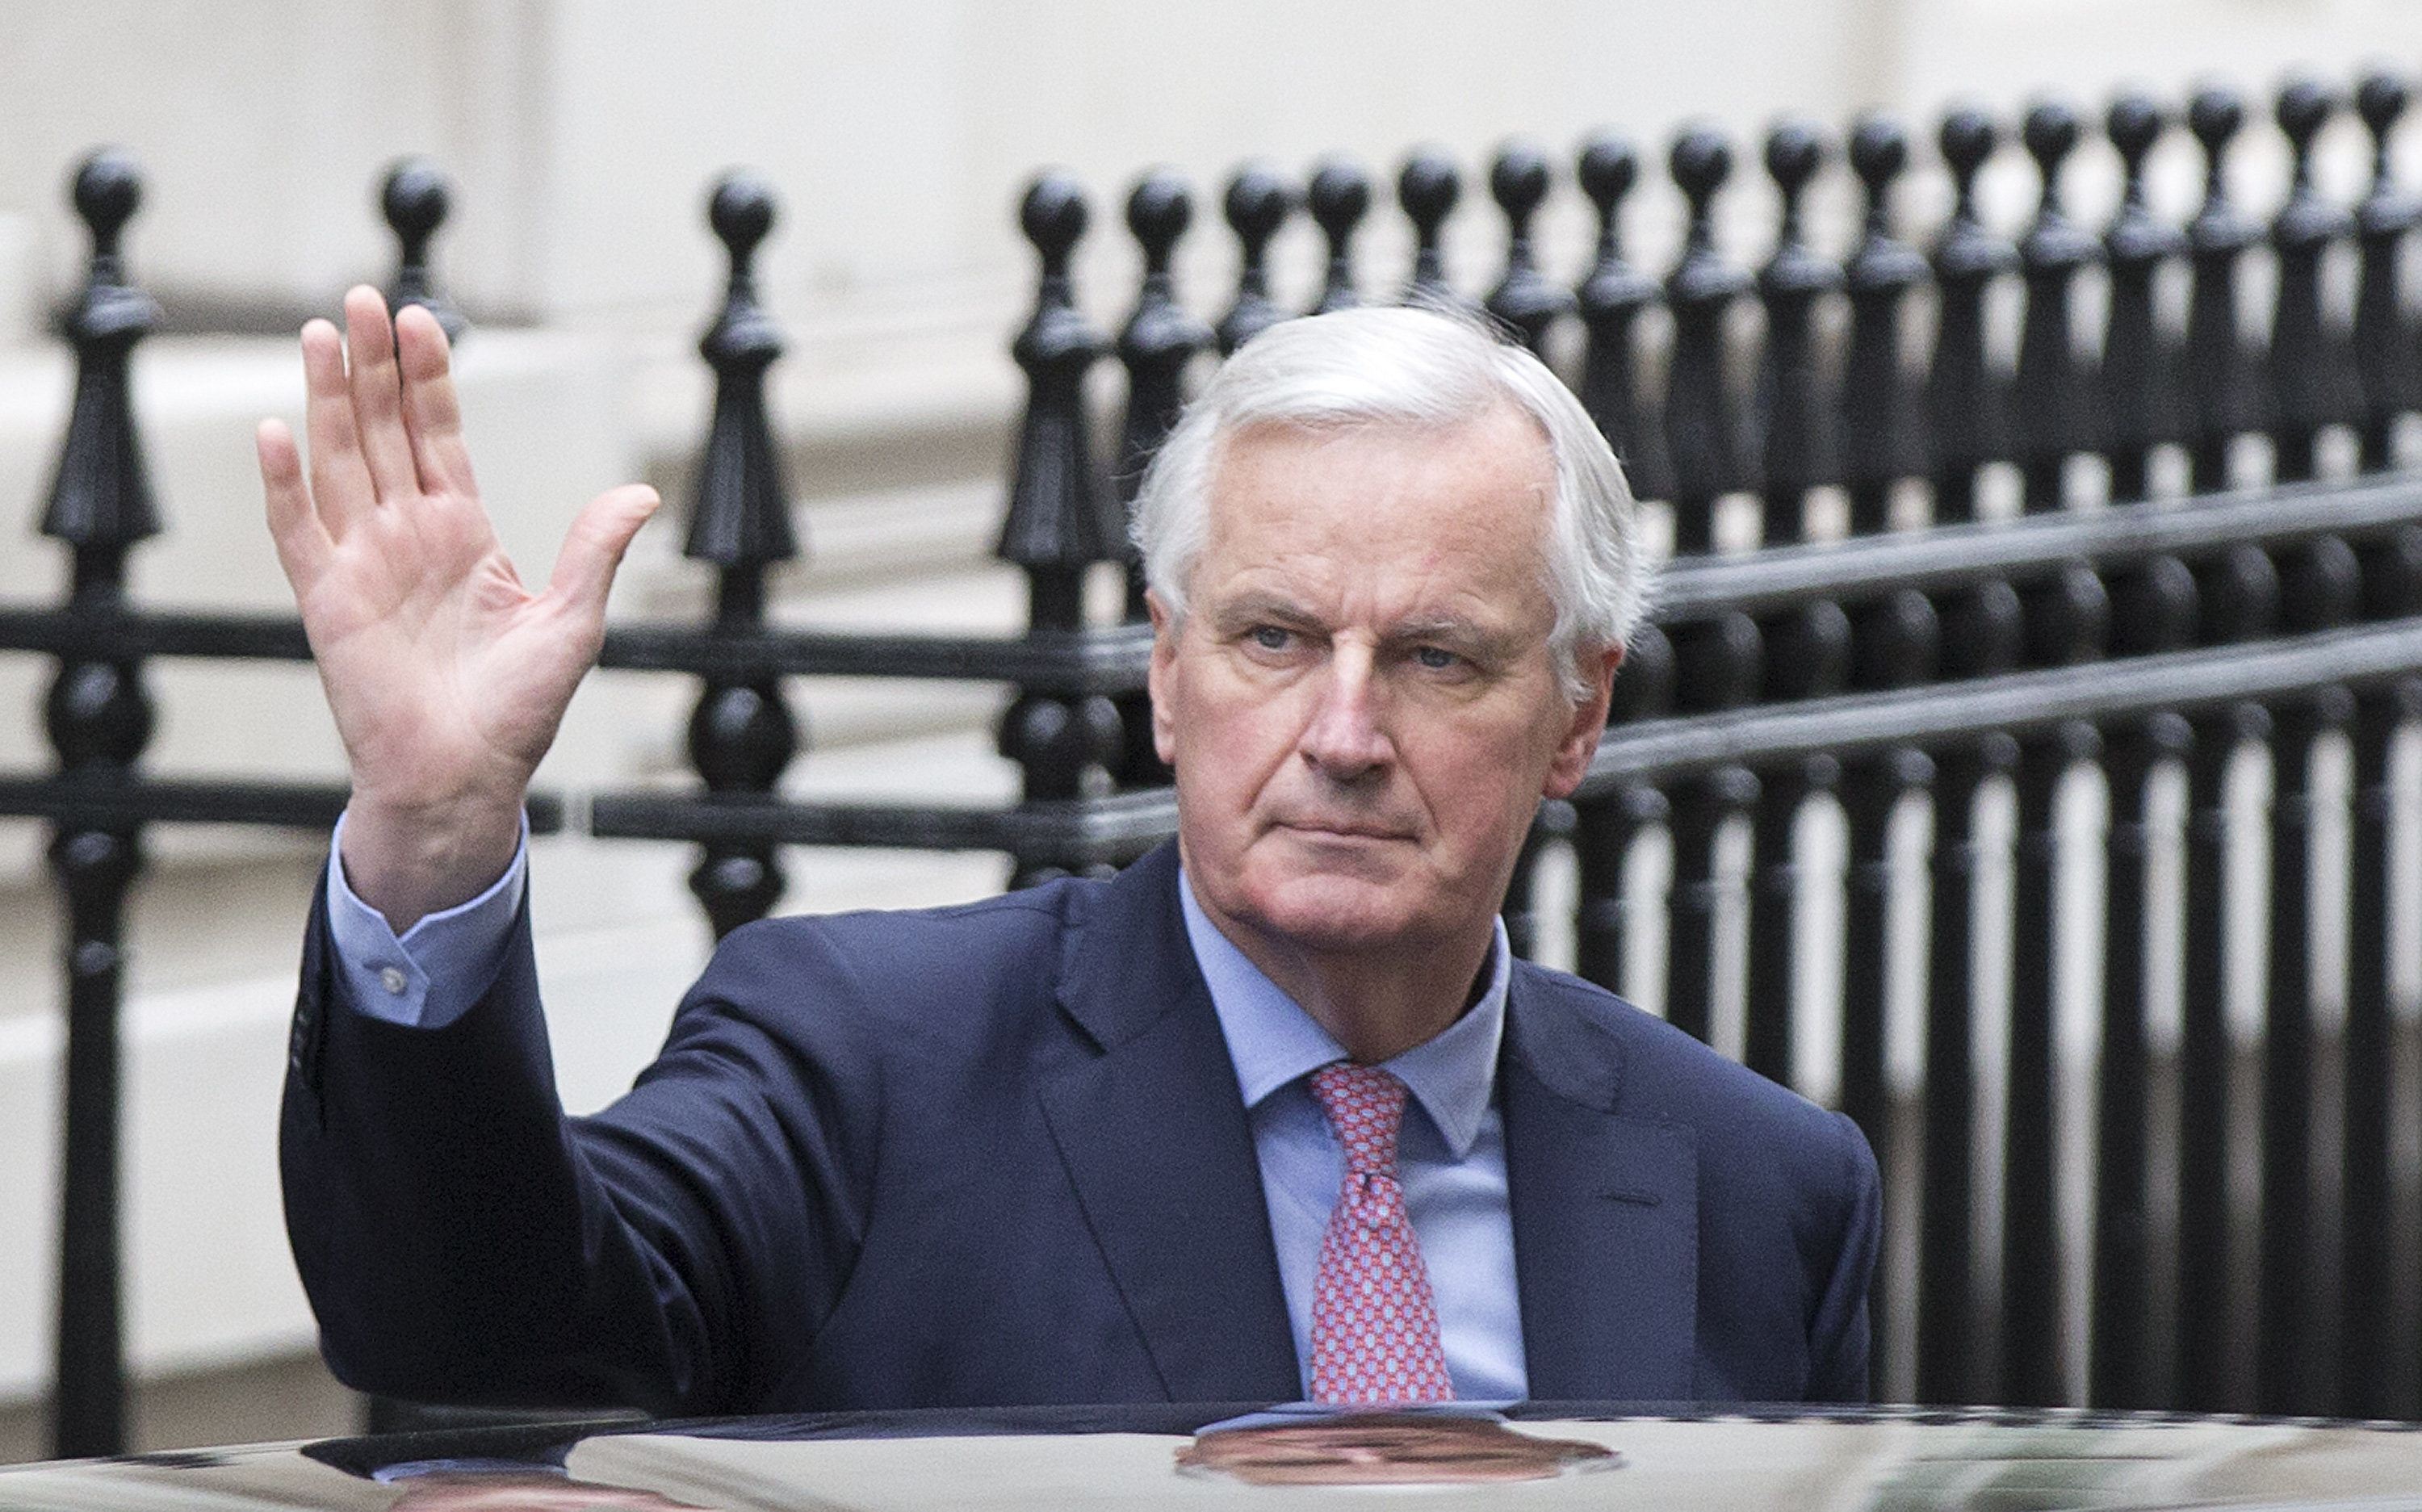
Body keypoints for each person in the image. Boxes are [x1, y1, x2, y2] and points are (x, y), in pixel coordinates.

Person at [266, 287, 1879, 1417]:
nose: (1342, 729)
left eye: (1438, 658)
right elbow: (481, 1330)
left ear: (1578, 709)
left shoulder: (1759, 1191)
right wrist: (434, 832)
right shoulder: (867, 1065)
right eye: (1274, 637)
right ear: (1168, 674)